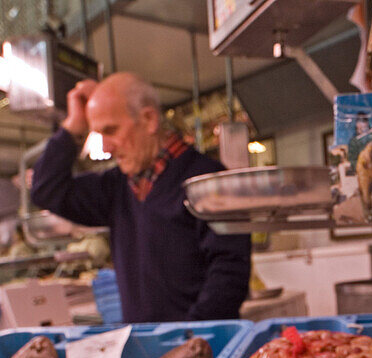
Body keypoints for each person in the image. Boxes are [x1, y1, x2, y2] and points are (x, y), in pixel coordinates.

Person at [29, 72, 251, 323]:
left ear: (149, 119)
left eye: (111, 130)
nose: (106, 147)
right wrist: (72, 127)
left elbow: (229, 273)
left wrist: (190, 339)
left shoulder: (208, 181)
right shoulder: (115, 188)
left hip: (201, 346)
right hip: (145, 344)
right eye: (98, 133)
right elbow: (46, 189)